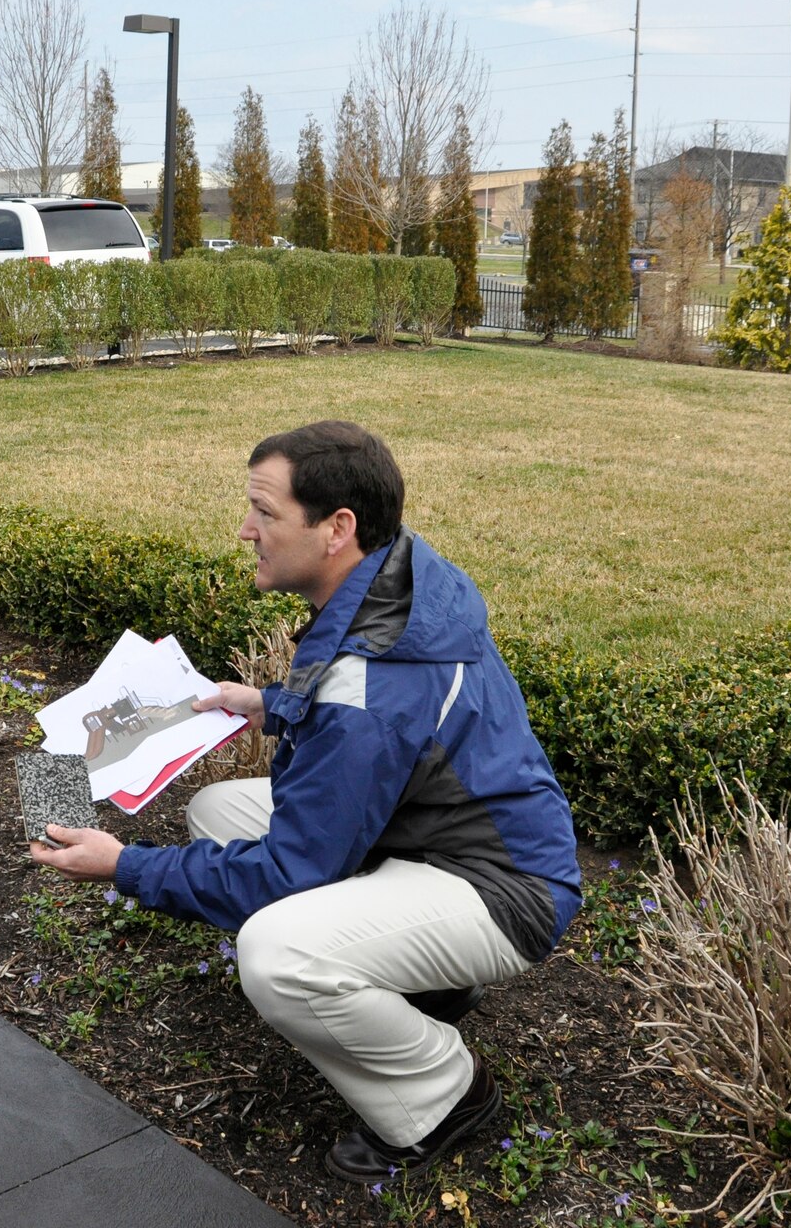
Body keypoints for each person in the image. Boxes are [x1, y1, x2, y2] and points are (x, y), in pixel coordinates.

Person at [31, 421, 582, 1183]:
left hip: (503, 890)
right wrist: (266, 701)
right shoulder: (395, 580)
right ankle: (429, 985)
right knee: (220, 812)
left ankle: (444, 1095)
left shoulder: (373, 684)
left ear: (337, 529)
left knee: (275, 953)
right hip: (434, 839)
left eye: (264, 511)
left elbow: (292, 864)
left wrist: (125, 866)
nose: (245, 529)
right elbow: (376, 725)